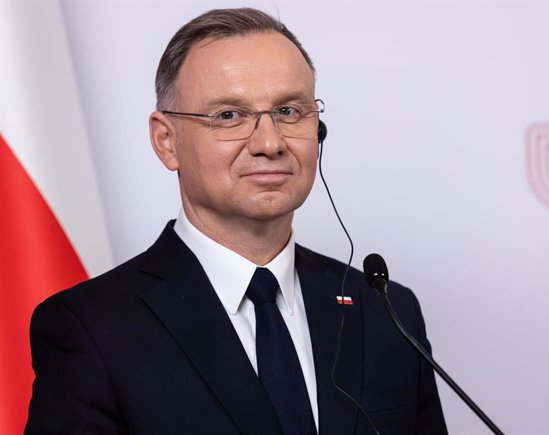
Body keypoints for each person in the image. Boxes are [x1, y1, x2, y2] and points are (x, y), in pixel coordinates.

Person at [25, 8, 447, 435]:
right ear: (166, 141)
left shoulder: (387, 312)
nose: (269, 143)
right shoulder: (93, 329)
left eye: (288, 111)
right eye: (229, 115)